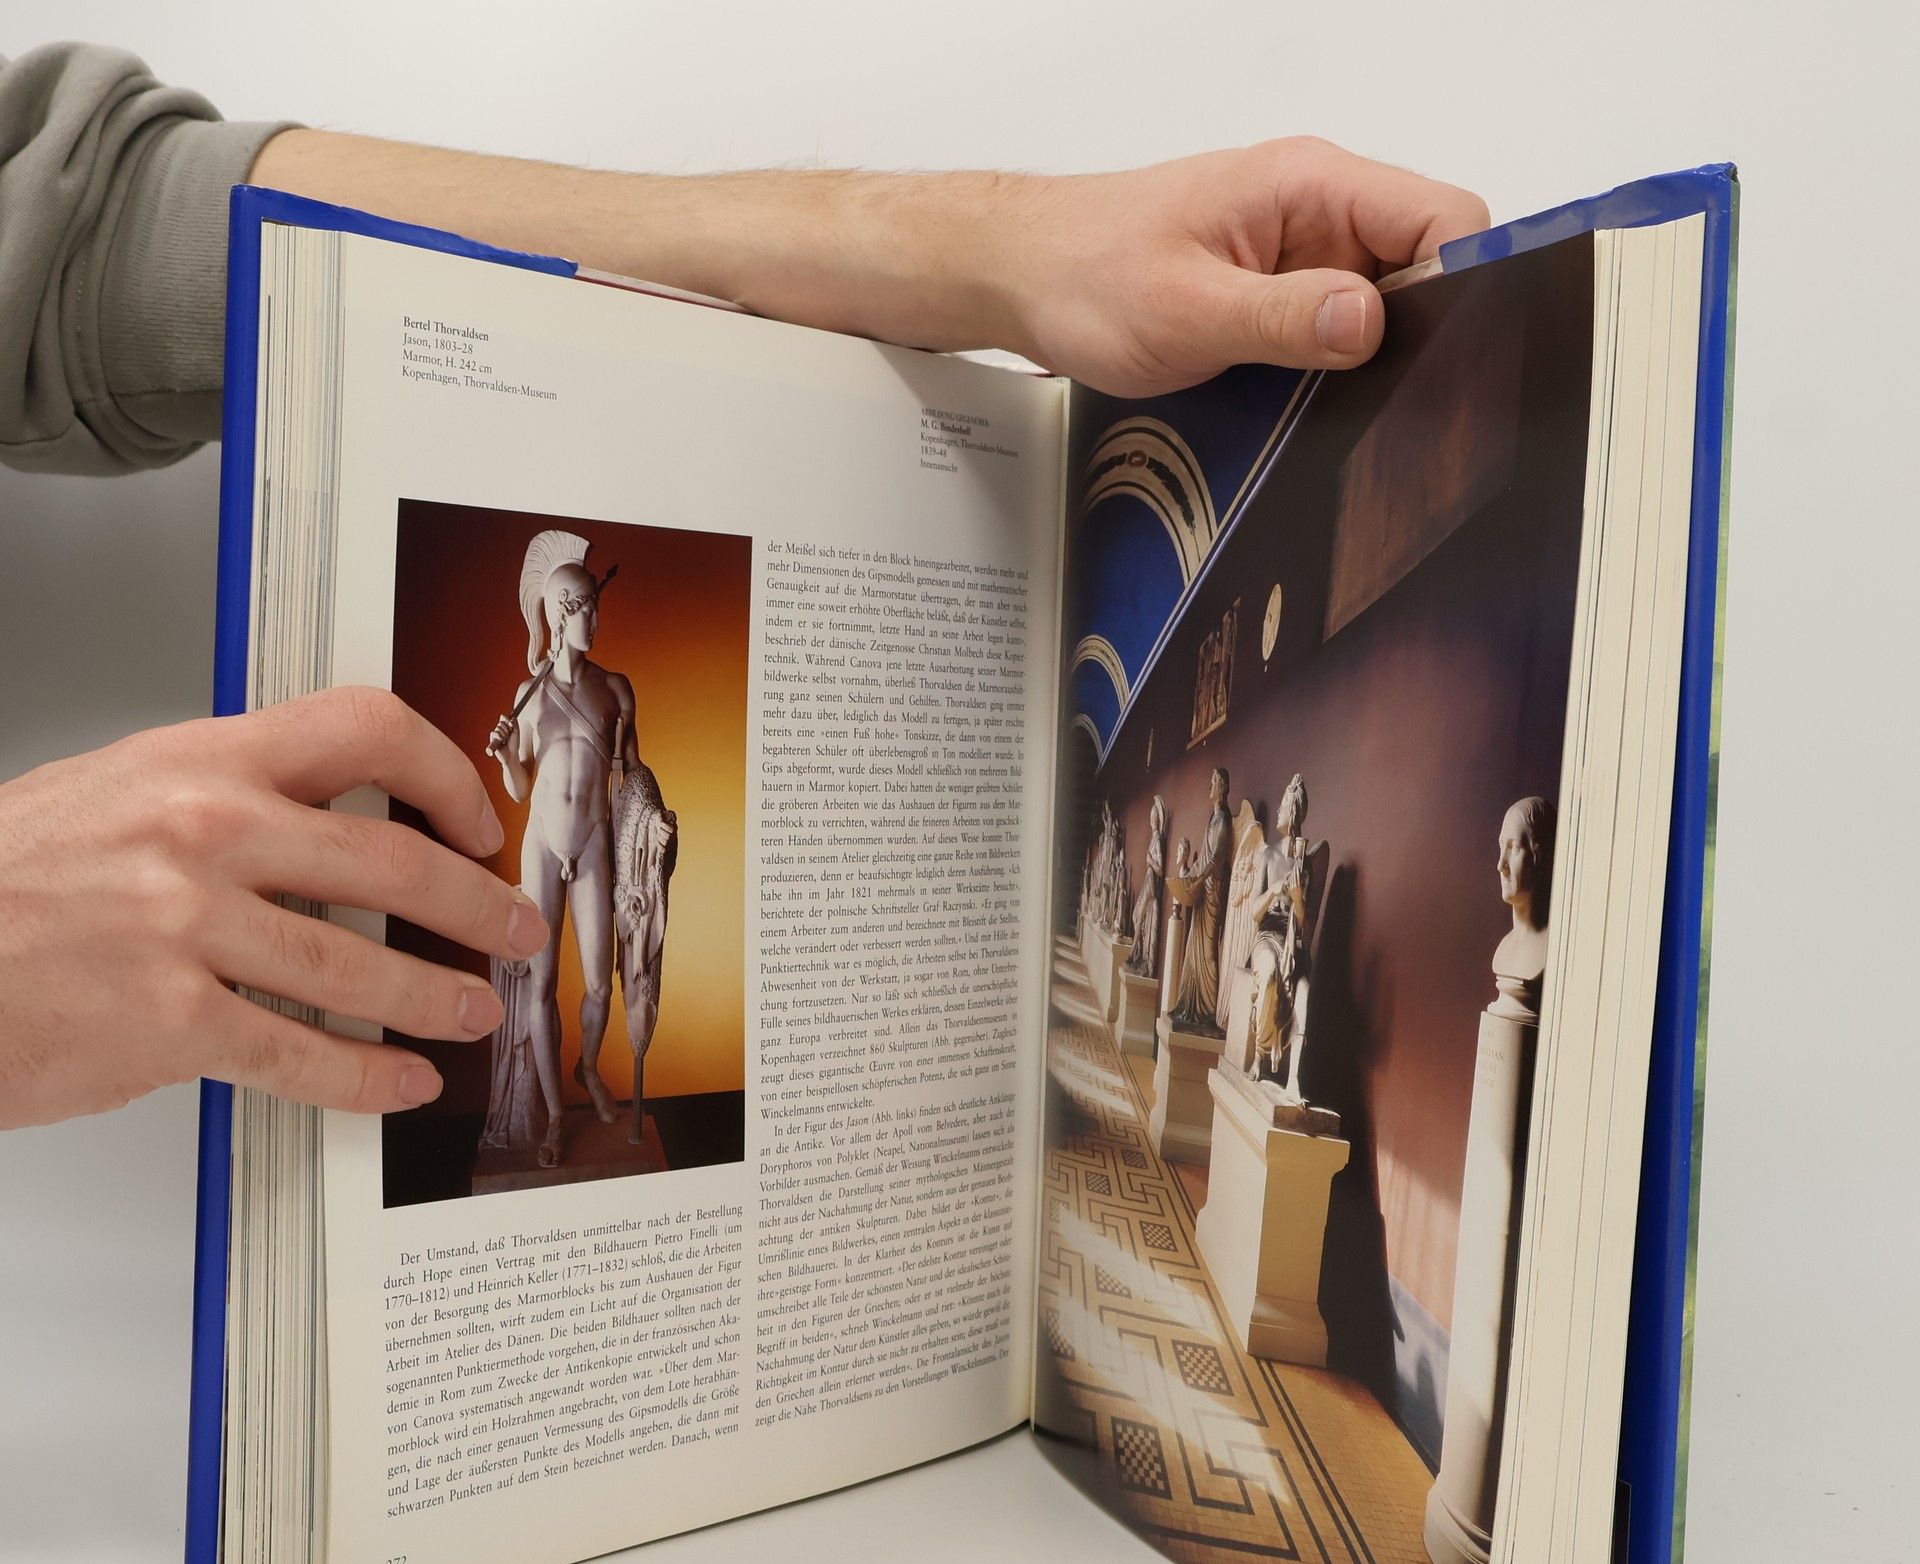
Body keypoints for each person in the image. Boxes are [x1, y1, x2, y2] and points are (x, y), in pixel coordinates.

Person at [0, 42, 1488, 1131]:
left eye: (587, 601)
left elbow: (95, 229)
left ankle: (597, 1088)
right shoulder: (545, 684)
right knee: (525, 984)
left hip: (593, 844)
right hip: (531, 851)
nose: (581, 613)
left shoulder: (611, 687)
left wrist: (988, 243)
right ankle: (543, 1100)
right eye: (567, 600)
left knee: (592, 986)